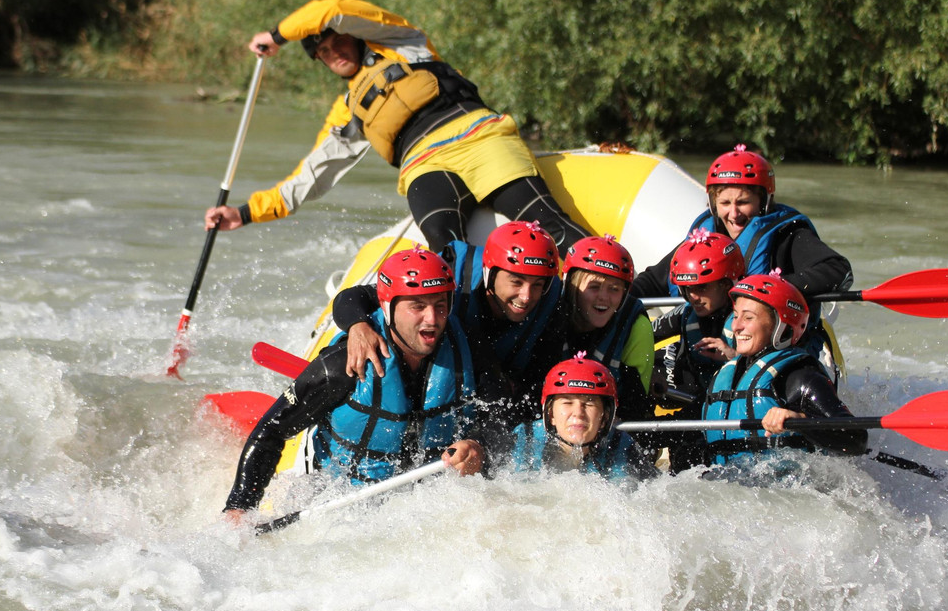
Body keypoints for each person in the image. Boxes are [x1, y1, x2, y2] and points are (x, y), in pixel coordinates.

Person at [205, 0, 588, 253]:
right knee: (443, 247)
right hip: (425, 165)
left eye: (338, 42)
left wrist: (276, 36)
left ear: (355, 37)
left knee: (546, 225)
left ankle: (630, 307)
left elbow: (331, 8)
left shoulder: (402, 42)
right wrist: (246, 212)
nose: (333, 53)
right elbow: (311, 177)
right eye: (323, 52)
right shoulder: (347, 111)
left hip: (479, 139)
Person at [222, 247, 510, 521]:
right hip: (337, 493)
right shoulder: (343, 365)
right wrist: (239, 508)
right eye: (418, 306)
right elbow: (272, 431)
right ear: (387, 307)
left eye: (439, 305)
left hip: (424, 503)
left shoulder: (470, 351)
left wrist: (478, 444)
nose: (432, 319)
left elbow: (503, 417)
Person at [630, 144, 852, 364]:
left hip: (779, 350)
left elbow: (838, 270)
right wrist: (618, 299)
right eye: (725, 203)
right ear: (713, 204)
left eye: (743, 202)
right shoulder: (705, 235)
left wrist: (768, 289)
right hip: (713, 347)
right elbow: (652, 280)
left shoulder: (788, 235)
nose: (734, 213)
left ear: (763, 202)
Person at [330, 221, 562, 410]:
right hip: (420, 374)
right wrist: (358, 326)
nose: (526, 296)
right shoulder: (449, 274)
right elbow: (354, 297)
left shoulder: (551, 304)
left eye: (538, 284)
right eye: (516, 282)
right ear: (489, 273)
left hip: (480, 387)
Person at [700, 271, 868, 471]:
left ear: (780, 326)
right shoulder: (727, 374)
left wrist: (801, 421)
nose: (736, 326)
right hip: (727, 489)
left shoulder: (800, 376)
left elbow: (856, 439)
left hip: (788, 493)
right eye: (735, 316)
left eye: (748, 318)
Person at [650, 229, 747, 472]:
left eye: (702, 287)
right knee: (649, 435)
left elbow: (771, 365)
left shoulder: (750, 318)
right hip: (696, 406)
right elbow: (642, 333)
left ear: (727, 284)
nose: (693, 296)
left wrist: (733, 357)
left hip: (738, 411)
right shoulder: (685, 315)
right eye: (687, 288)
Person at [534, 234, 655, 425]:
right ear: (572, 285)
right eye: (594, 287)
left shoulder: (636, 327)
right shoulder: (548, 315)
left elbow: (635, 407)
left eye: (614, 289)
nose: (604, 298)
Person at [509, 353, 658, 479]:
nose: (578, 413)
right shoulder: (524, 440)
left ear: (605, 417)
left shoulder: (623, 449)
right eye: (567, 402)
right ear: (550, 414)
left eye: (590, 403)